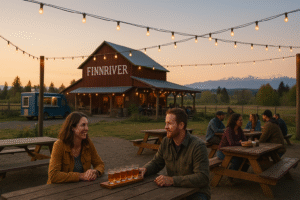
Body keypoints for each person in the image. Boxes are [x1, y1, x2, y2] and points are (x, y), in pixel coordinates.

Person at [139, 108, 210, 200]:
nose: (165, 127)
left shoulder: (198, 146)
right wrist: (145, 169)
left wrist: (172, 180)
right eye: (165, 123)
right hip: (175, 190)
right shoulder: (165, 142)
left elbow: (202, 178)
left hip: (197, 193)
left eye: (169, 123)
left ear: (181, 125)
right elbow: (157, 162)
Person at [47, 112, 105, 184]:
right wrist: (81, 176)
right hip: (57, 190)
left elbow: (100, 164)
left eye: (87, 125)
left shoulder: (87, 143)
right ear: (72, 128)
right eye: (83, 125)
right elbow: (53, 175)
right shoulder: (59, 145)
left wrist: (95, 172)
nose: (87, 128)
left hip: (81, 188)